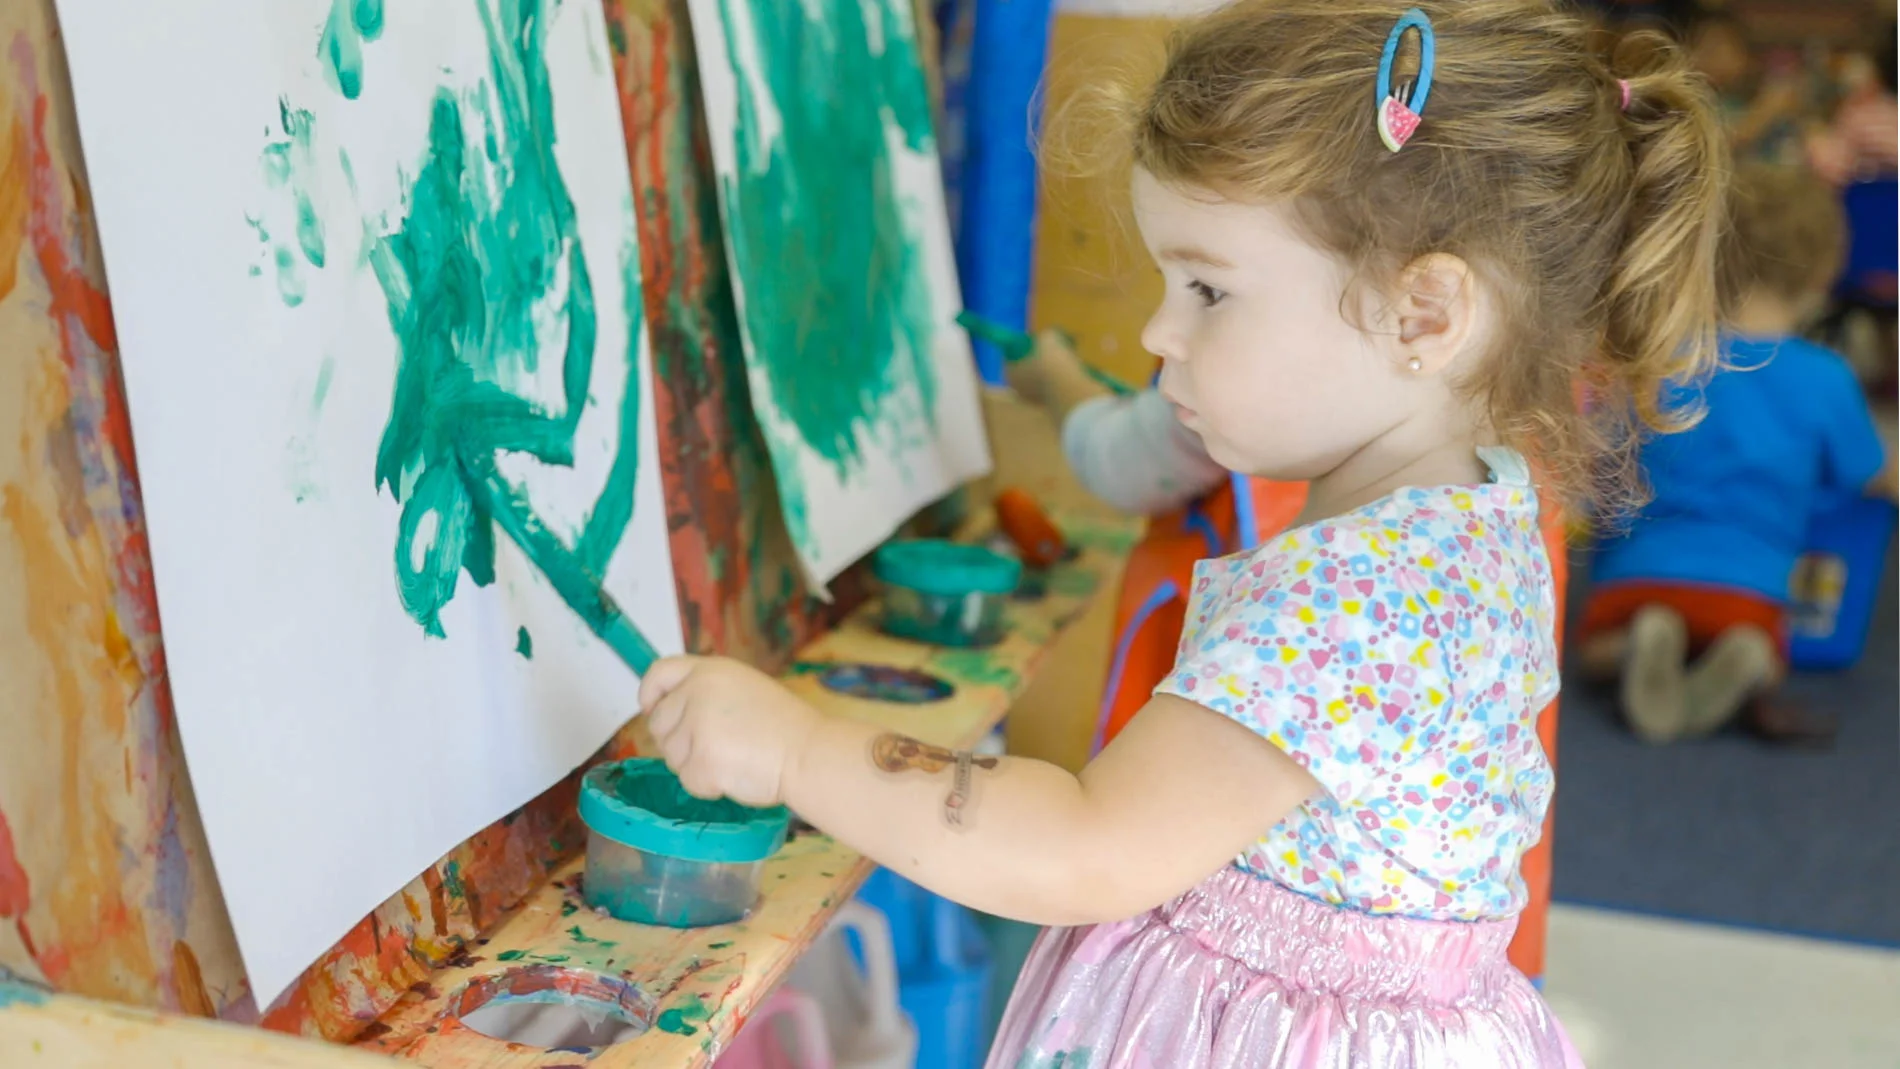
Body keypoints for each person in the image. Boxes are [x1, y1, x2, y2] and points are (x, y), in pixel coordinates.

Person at [637, 2, 1726, 1065]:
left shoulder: (1359, 599)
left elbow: (1080, 846)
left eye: (1208, 288)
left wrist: (791, 751)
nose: (1159, 331)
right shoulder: (1474, 505)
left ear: (1424, 317)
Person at [1577, 163, 1891, 748]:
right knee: (1768, 653)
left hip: (1637, 576)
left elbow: (1602, 462)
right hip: (1749, 592)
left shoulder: (1661, 357)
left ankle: (1630, 649)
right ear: (1823, 276)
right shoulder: (1825, 376)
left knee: (1592, 648)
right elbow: (1871, 474)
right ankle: (1742, 665)